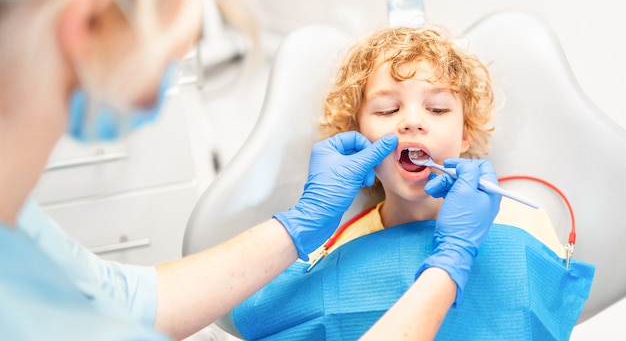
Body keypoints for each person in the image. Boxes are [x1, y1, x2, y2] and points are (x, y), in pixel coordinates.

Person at [0, 0, 502, 340]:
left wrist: (299, 225)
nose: (191, 42)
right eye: (193, 1)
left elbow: (119, 299)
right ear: (89, 20)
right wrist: (449, 265)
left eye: (437, 107)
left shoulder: (20, 233)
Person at [230, 26, 594, 340]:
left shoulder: (524, 223)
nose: (412, 122)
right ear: (357, 138)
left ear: (465, 135)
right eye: (388, 110)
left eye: (436, 109)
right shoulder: (341, 249)